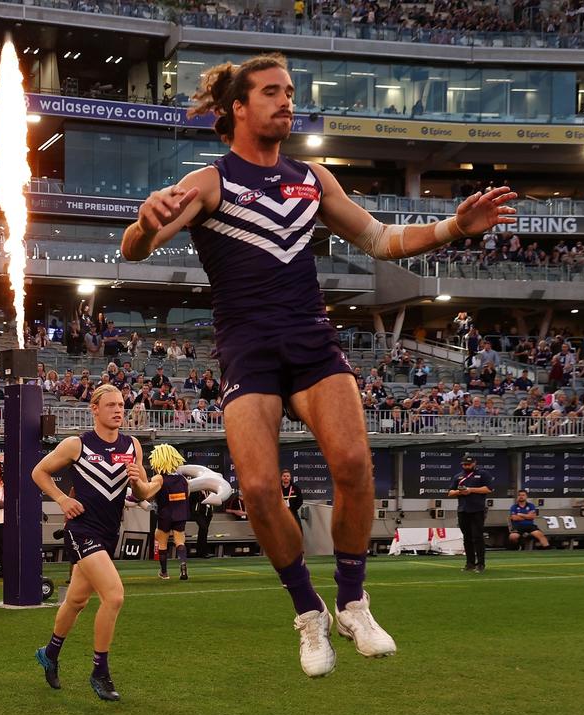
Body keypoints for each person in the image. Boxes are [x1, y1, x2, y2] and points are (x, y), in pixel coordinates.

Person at [120, 53, 511, 676]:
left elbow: (381, 240)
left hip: (310, 339)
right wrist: (143, 224)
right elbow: (134, 250)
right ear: (238, 108)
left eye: (290, 92)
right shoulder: (208, 182)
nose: (286, 101)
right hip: (247, 346)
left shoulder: (313, 178)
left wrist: (452, 227)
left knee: (355, 464)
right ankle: (309, 614)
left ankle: (353, 600)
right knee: (254, 488)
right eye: (272, 92)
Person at [31, 384, 157, 701]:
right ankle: (100, 671)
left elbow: (140, 494)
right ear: (95, 409)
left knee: (76, 601)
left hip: (108, 533)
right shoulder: (78, 445)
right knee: (113, 596)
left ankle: (49, 653)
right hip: (81, 529)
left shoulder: (133, 446)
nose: (118, 410)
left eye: (122, 405)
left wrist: (142, 482)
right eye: (112, 405)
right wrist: (61, 499)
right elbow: (39, 472)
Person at [147, 444, 191, 581]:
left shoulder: (158, 478)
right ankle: (183, 565)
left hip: (165, 513)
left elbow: (147, 495)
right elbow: (187, 494)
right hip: (181, 514)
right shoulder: (183, 479)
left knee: (162, 542)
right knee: (180, 541)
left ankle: (164, 572)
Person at [449, 456, 492, 573]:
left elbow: (488, 489)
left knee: (477, 537)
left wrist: (471, 490)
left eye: (469, 464)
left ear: (474, 463)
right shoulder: (458, 476)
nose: (466, 466)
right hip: (463, 510)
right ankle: (470, 563)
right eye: (464, 465)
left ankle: (481, 564)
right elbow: (450, 492)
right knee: (467, 538)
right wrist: (460, 491)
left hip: (477, 509)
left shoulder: (482, 474)